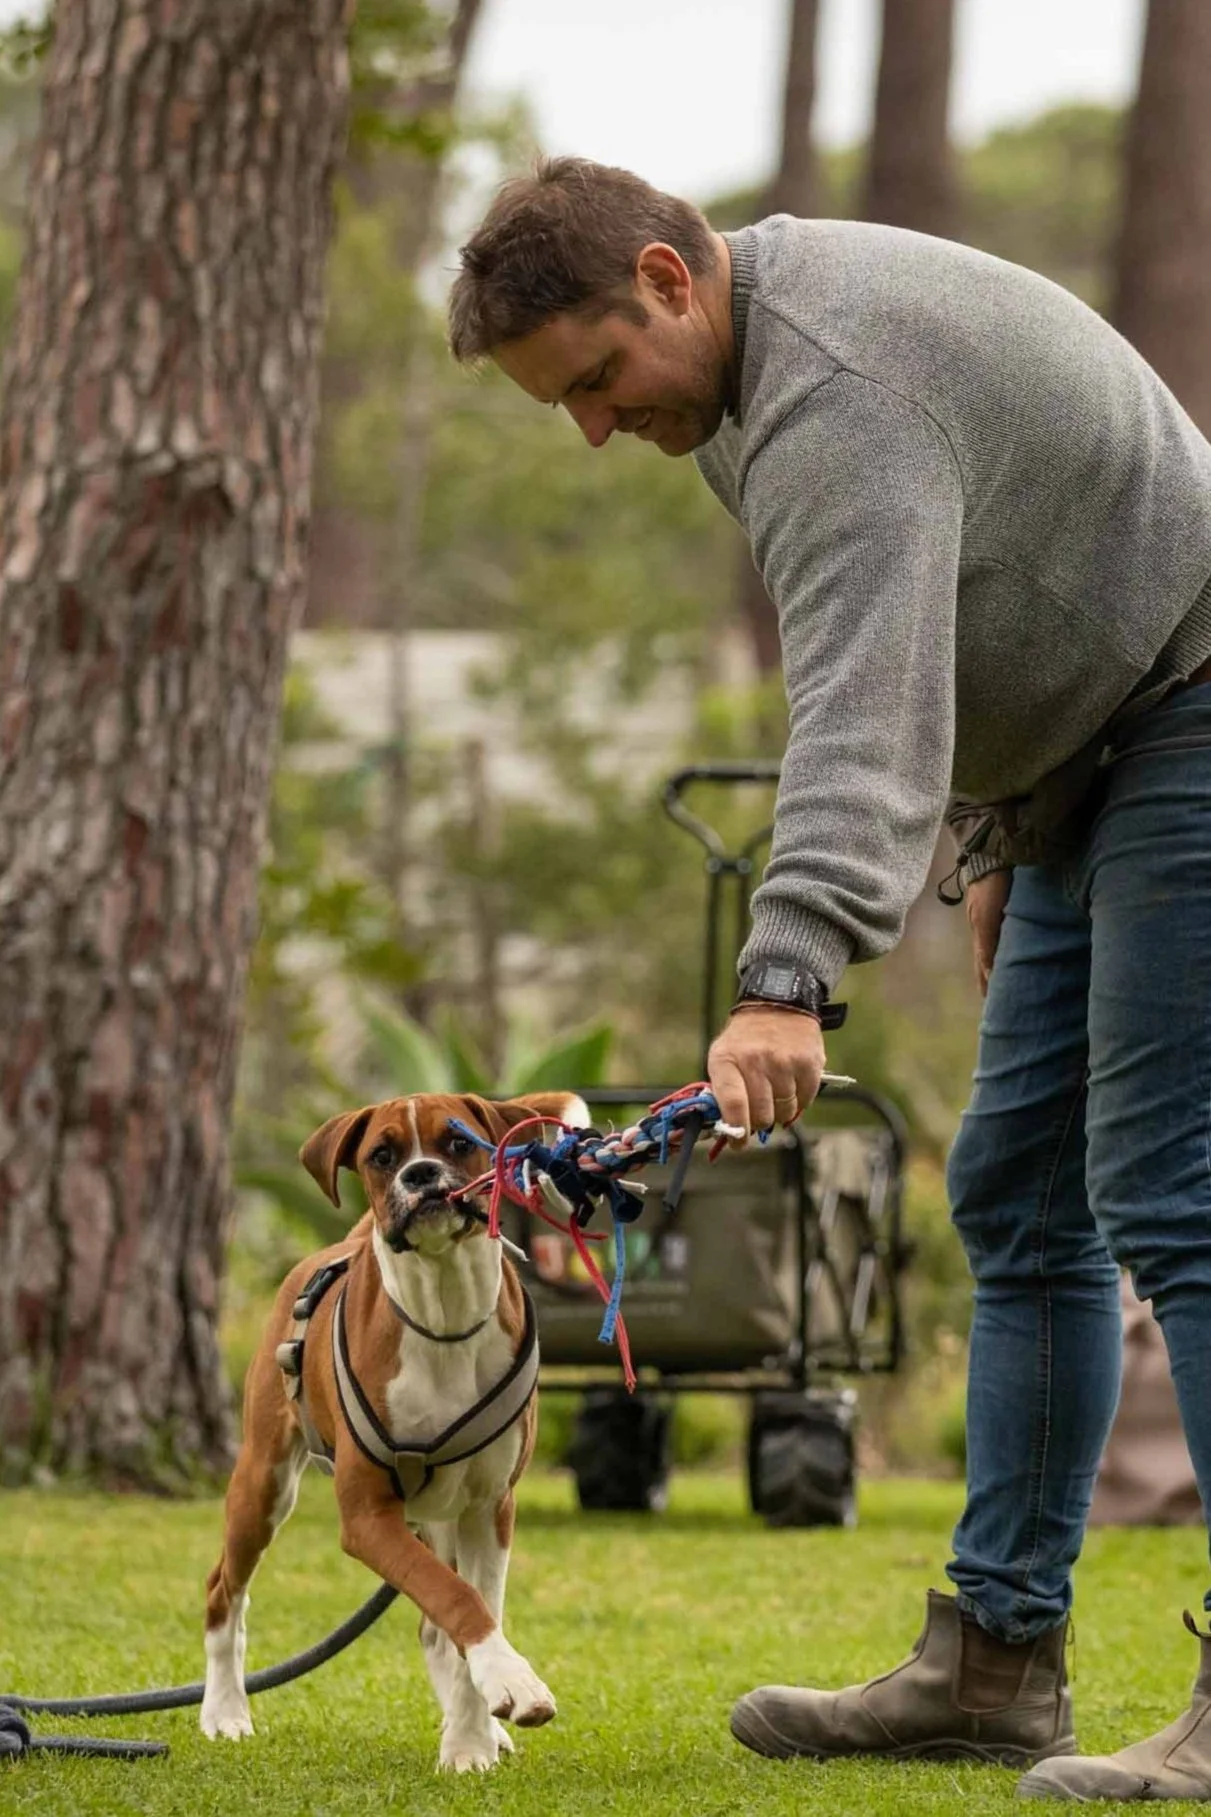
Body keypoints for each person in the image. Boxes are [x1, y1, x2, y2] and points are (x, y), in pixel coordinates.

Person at [446, 157, 1211, 1802]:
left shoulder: (832, 394)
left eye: (593, 380)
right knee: (1015, 1195)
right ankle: (996, 1667)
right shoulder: (748, 361)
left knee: (1171, 1193)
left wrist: (785, 974)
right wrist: (998, 834)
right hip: (1088, 755)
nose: (592, 428)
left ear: (666, 278)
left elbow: (859, 700)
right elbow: (981, 611)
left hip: (1189, 710)